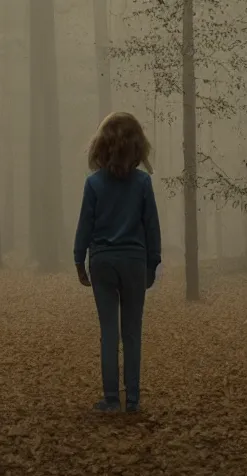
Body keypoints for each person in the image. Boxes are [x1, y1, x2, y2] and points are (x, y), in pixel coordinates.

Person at [73, 112, 162, 414]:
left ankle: (111, 399)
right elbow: (151, 226)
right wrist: (153, 263)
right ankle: (133, 400)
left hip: (102, 263)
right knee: (132, 332)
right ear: (137, 146)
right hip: (135, 262)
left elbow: (85, 226)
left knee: (108, 330)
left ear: (102, 145)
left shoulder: (94, 184)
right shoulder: (142, 184)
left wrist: (78, 260)